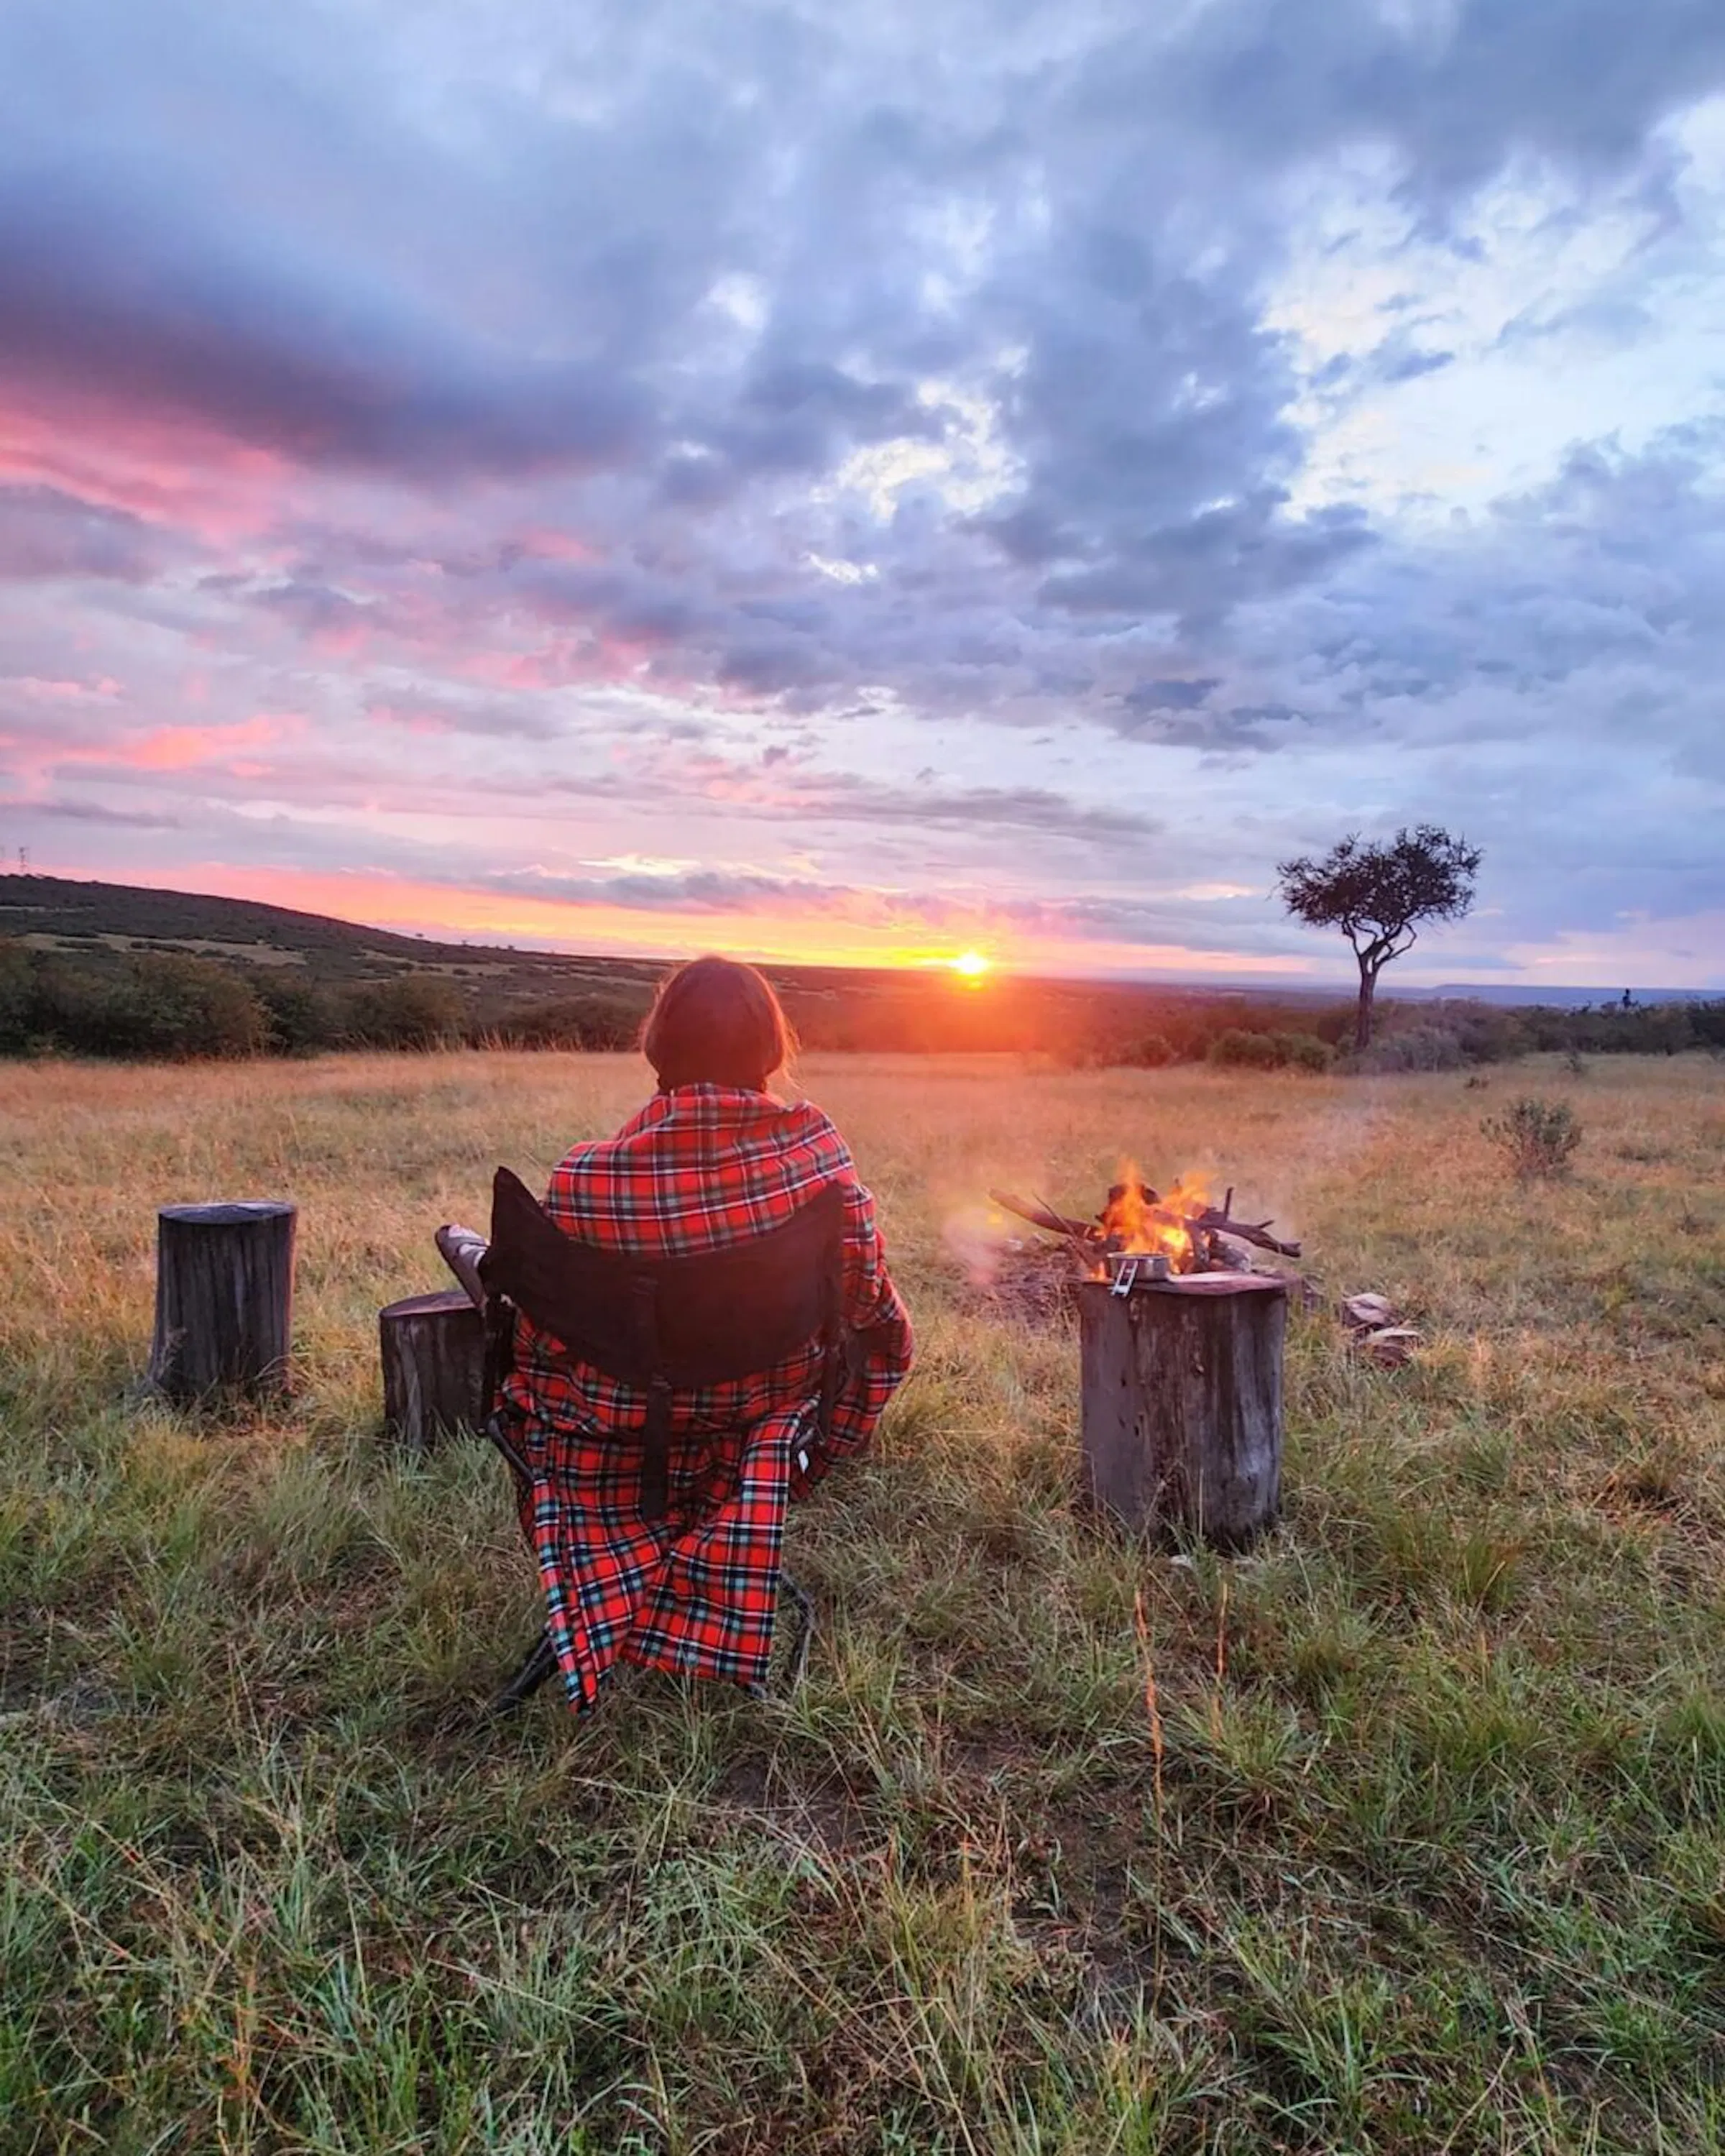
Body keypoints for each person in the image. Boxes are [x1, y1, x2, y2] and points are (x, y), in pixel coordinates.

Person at [495, 955, 914, 1712]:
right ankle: (715, 1557)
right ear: (771, 1050)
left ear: (660, 1045)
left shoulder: (584, 1179)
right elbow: (870, 1300)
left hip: (614, 1435)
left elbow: (543, 1336)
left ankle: (625, 1568)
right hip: (767, 1416)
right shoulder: (818, 1156)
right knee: (885, 1324)